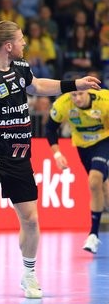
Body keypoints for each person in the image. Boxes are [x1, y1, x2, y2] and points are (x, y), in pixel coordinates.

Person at [0, 20, 100, 299]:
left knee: (30, 220)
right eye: (21, 40)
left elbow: (38, 86)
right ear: (8, 46)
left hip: (18, 153)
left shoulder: (21, 67)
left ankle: (29, 275)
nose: (24, 43)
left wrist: (75, 83)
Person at [47, 89, 109, 254]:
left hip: (105, 141)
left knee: (94, 181)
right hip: (83, 148)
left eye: (81, 94)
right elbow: (49, 129)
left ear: (88, 93)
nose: (78, 98)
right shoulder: (63, 104)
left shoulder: (104, 100)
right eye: (74, 95)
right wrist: (57, 154)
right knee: (104, 188)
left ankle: (93, 234)